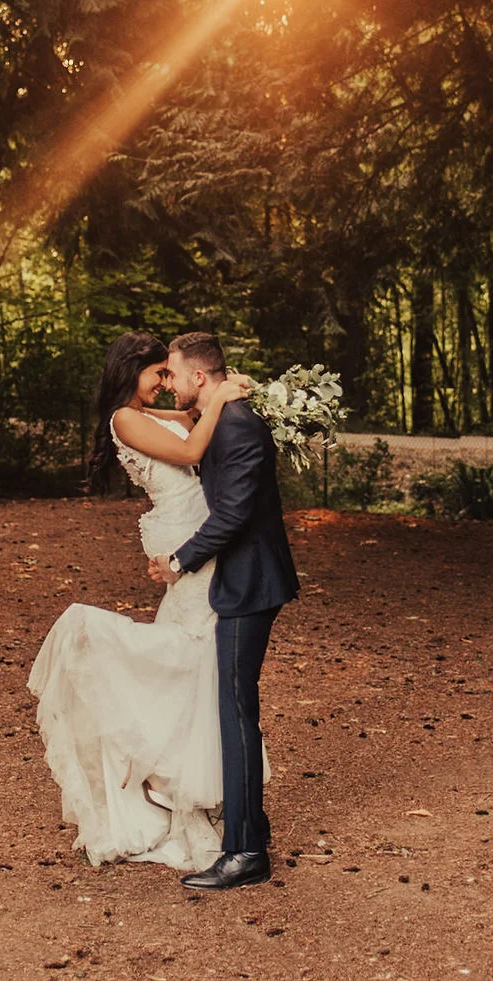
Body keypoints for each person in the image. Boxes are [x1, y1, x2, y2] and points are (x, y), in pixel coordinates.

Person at [27, 332, 254, 871]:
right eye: (158, 373)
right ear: (133, 370)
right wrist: (221, 396)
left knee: (198, 656)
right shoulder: (125, 419)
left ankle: (187, 784)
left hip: (196, 535)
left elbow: (193, 419)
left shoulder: (149, 415)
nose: (165, 383)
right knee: (190, 655)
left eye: (169, 373)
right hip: (188, 538)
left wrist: (225, 389)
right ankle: (168, 781)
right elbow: (192, 450)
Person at [148, 330, 298, 890]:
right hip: (245, 579)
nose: (170, 383)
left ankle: (246, 852)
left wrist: (178, 561)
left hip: (249, 583)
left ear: (199, 376)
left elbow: (233, 514)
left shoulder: (235, 424)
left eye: (173, 373)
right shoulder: (222, 416)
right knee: (233, 709)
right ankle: (249, 826)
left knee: (235, 713)